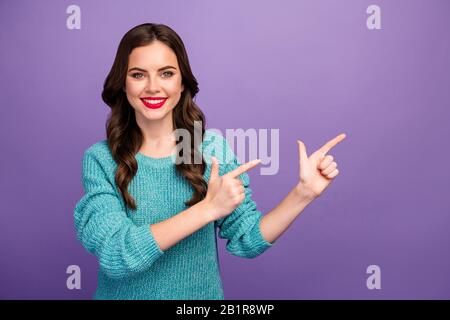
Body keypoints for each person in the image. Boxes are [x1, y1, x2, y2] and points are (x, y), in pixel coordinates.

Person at [73, 23, 346, 300]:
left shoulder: (209, 149)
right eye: (138, 75)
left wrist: (303, 193)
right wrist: (207, 210)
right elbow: (117, 254)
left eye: (166, 73)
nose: (153, 87)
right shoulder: (101, 159)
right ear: (123, 82)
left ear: (182, 83)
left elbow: (247, 240)